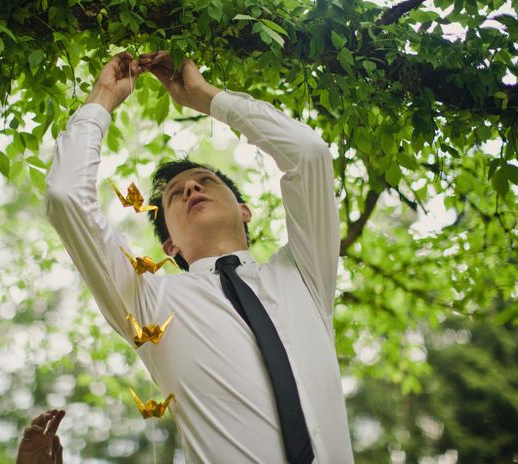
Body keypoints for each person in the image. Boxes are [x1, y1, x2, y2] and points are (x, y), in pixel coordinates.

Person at [46, 50, 354, 463]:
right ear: (169, 246)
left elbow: (309, 155)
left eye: (204, 181)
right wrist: (101, 99)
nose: (191, 190)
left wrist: (206, 97)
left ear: (244, 211)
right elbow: (67, 198)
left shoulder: (303, 273)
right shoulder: (149, 303)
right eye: (176, 195)